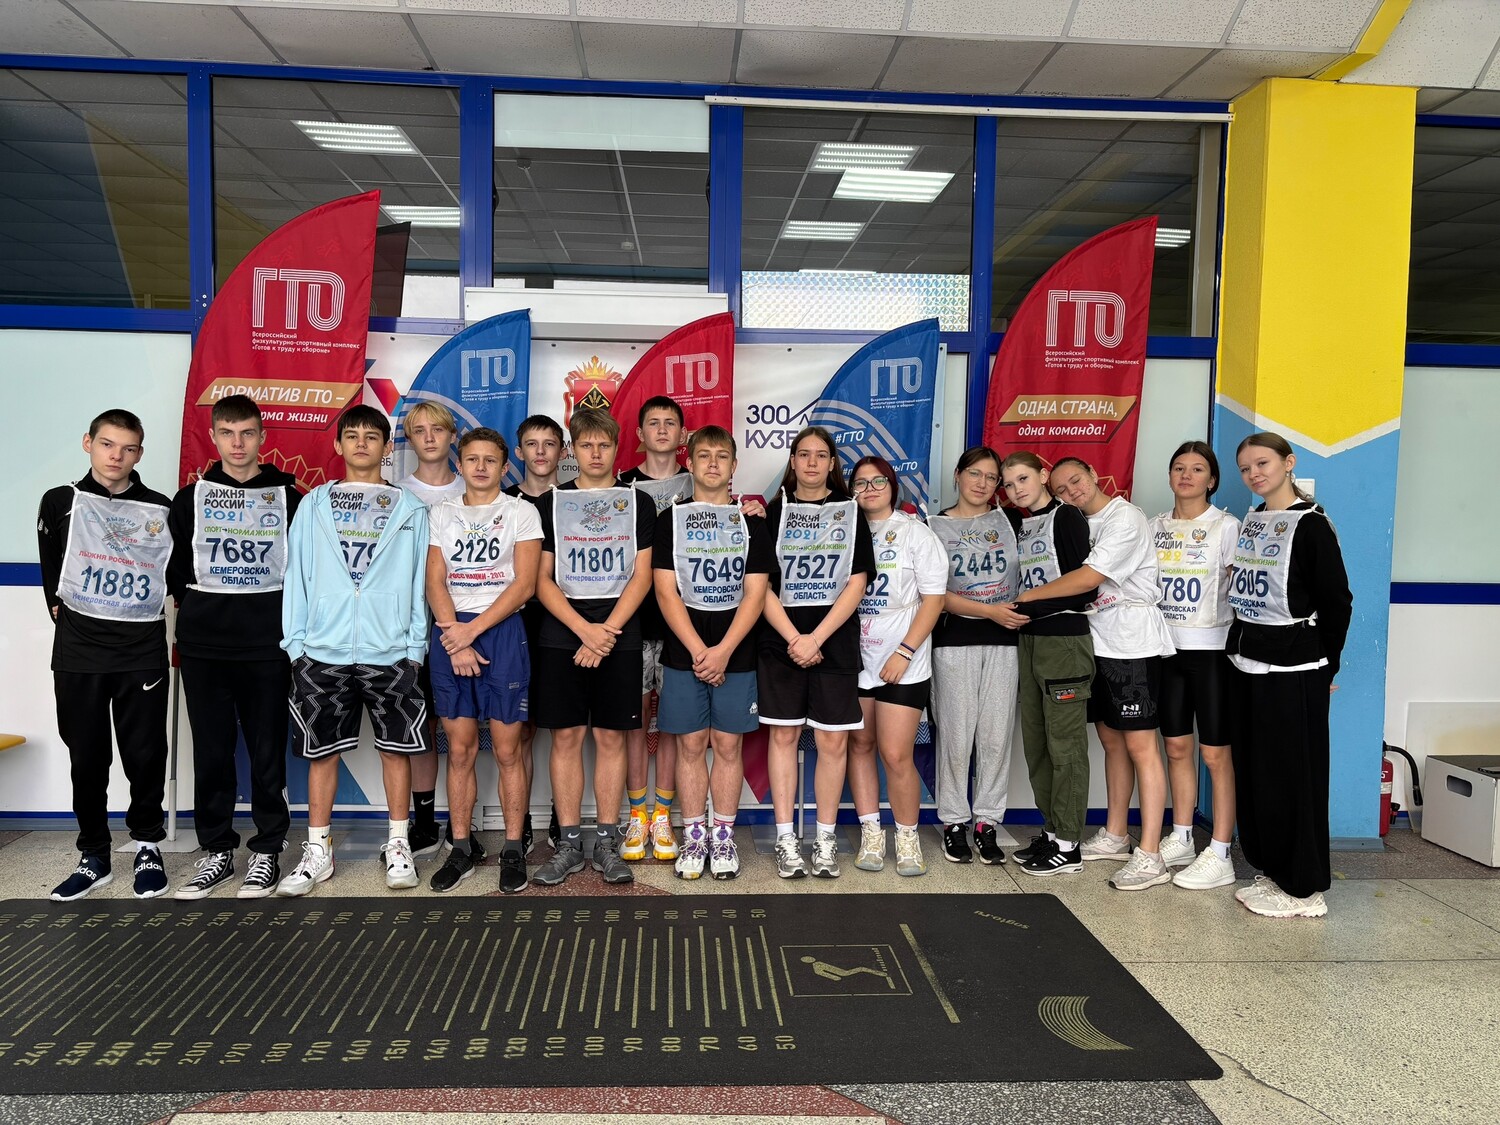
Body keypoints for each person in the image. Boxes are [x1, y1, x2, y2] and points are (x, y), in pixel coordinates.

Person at [277, 404, 431, 897]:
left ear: (387, 448)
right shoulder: (313, 505)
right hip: (323, 650)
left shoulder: (410, 509)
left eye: (372, 436)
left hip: (391, 652)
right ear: (338, 444)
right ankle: (318, 850)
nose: (362, 443)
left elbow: (418, 582)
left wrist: (415, 648)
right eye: (353, 435)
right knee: (322, 753)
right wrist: (296, 645)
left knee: (396, 749)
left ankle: (398, 844)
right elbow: (296, 577)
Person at [167, 395, 301, 900]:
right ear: (214, 437)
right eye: (227, 433)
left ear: (263, 437)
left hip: (267, 642)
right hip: (205, 643)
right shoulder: (190, 499)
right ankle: (217, 850)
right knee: (211, 751)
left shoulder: (290, 498)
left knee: (268, 750)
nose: (238, 443)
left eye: (247, 433)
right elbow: (175, 571)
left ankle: (267, 849)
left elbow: (304, 569)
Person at [38, 409, 174, 901]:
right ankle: (94, 855)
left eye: (128, 448)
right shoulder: (60, 501)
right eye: (107, 444)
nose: (117, 456)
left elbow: (172, 577)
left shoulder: (160, 508)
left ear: (140, 453)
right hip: (79, 652)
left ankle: (147, 846)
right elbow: (52, 577)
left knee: (145, 754)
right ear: (88, 443)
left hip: (141, 650)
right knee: (87, 757)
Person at [1027, 457, 1176, 892]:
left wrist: (1026, 598)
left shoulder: (1124, 518)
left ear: (1094, 475)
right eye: (1061, 488)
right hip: (1095, 642)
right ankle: (1115, 834)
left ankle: (1151, 855)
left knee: (1142, 746)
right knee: (1111, 741)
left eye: (1076, 480)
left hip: (1132, 645)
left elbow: (1089, 578)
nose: (1071, 490)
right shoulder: (1074, 521)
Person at [1227, 432, 1351, 919]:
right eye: (1245, 468)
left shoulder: (1313, 525)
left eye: (1262, 463)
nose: (1254, 474)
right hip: (1249, 662)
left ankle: (1304, 889)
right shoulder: (1256, 519)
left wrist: (1326, 665)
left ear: (1289, 462)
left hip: (1295, 666)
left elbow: (1337, 602)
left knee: (1294, 776)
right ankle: (1275, 870)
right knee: (1260, 774)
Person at [530, 408, 655, 887]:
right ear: (572, 450)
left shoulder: (638, 502)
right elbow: (541, 580)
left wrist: (605, 633)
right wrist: (585, 630)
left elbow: (642, 575)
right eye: (586, 445)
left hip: (618, 636)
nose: (596, 453)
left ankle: (605, 841)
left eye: (604, 445)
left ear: (617, 448)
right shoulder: (551, 503)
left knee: (610, 738)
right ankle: (568, 845)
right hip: (564, 633)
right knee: (565, 738)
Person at [424, 428, 542, 895]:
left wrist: (471, 634)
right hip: (450, 630)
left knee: (509, 750)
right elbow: (435, 581)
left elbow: (525, 584)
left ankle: (513, 848)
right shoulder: (442, 512)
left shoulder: (521, 511)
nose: (480, 467)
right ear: (459, 464)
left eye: (490, 460)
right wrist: (456, 637)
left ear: (504, 466)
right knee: (460, 749)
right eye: (471, 459)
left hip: (502, 632)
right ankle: (460, 848)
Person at [652, 426, 771, 880]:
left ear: (734, 465)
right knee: (689, 745)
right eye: (704, 455)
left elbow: (755, 595)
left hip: (735, 652)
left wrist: (723, 651)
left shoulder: (751, 521)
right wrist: (703, 651)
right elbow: (665, 593)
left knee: (727, 744)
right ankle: (694, 834)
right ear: (690, 462)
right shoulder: (670, 519)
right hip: (686, 651)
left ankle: (723, 836)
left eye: (722, 456)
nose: (713, 463)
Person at [760, 427, 874, 879]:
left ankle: (825, 839)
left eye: (820, 455)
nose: (811, 462)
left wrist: (816, 639)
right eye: (803, 454)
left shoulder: (851, 512)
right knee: (783, 738)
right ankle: (786, 838)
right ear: (792, 461)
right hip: (780, 644)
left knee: (832, 741)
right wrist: (795, 638)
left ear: (832, 463)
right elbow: (760, 586)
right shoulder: (771, 512)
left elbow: (857, 583)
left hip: (834, 645)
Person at [847, 457, 946, 877]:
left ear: (892, 486)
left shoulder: (915, 533)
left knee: (895, 752)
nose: (869, 489)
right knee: (860, 745)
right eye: (860, 482)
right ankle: (871, 834)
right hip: (855, 656)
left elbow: (935, 600)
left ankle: (907, 837)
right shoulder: (844, 531)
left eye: (878, 481)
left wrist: (904, 651)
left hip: (903, 658)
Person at [999, 452, 1096, 877]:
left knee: (1065, 746)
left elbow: (1085, 587)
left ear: (1042, 475)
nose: (1016, 489)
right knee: (1036, 746)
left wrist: (1029, 604)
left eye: (1023, 479)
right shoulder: (1020, 524)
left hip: (1063, 641)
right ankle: (1053, 831)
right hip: (1029, 640)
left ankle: (1070, 845)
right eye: (1009, 484)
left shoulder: (1067, 516)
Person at [1150, 441, 1241, 891]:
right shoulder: (1154, 527)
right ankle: (1182, 835)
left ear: (1212, 480)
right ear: (1169, 476)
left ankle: (1221, 851)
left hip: (1212, 652)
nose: (1186, 475)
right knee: (1176, 748)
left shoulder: (1226, 526)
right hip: (1166, 650)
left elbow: (1243, 591)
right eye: (1179, 467)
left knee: (1215, 754)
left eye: (1198, 469)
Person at [927, 446, 1023, 865]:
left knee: (996, 737)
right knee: (955, 736)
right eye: (975, 474)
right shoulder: (933, 526)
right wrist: (989, 612)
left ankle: (986, 822)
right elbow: (934, 594)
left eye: (991, 477)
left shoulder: (1012, 521)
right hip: (954, 643)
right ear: (958, 474)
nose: (983, 484)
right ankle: (953, 822)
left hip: (1005, 644)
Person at [616, 395, 695, 864]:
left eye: (670, 423)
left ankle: (662, 815)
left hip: (685, 624)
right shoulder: (621, 487)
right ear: (639, 434)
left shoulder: (702, 484)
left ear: (683, 435)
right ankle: (636, 814)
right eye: (653, 423)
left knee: (671, 723)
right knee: (634, 722)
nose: (662, 430)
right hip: (634, 622)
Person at [395, 402, 467, 858]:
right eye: (418, 430)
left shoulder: (475, 486)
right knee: (420, 726)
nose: (428, 437)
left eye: (437, 429)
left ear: (452, 435)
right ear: (409, 438)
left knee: (463, 726)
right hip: (409, 627)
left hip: (468, 624)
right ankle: (423, 822)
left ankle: (465, 818)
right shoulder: (395, 494)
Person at [504, 413, 567, 852]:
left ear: (563, 451)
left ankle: (564, 818)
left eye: (549, 443)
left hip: (565, 625)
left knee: (564, 730)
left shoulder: (579, 498)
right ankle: (521, 818)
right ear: (518, 451)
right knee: (521, 731)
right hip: (517, 624)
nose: (541, 452)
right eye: (532, 443)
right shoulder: (504, 502)